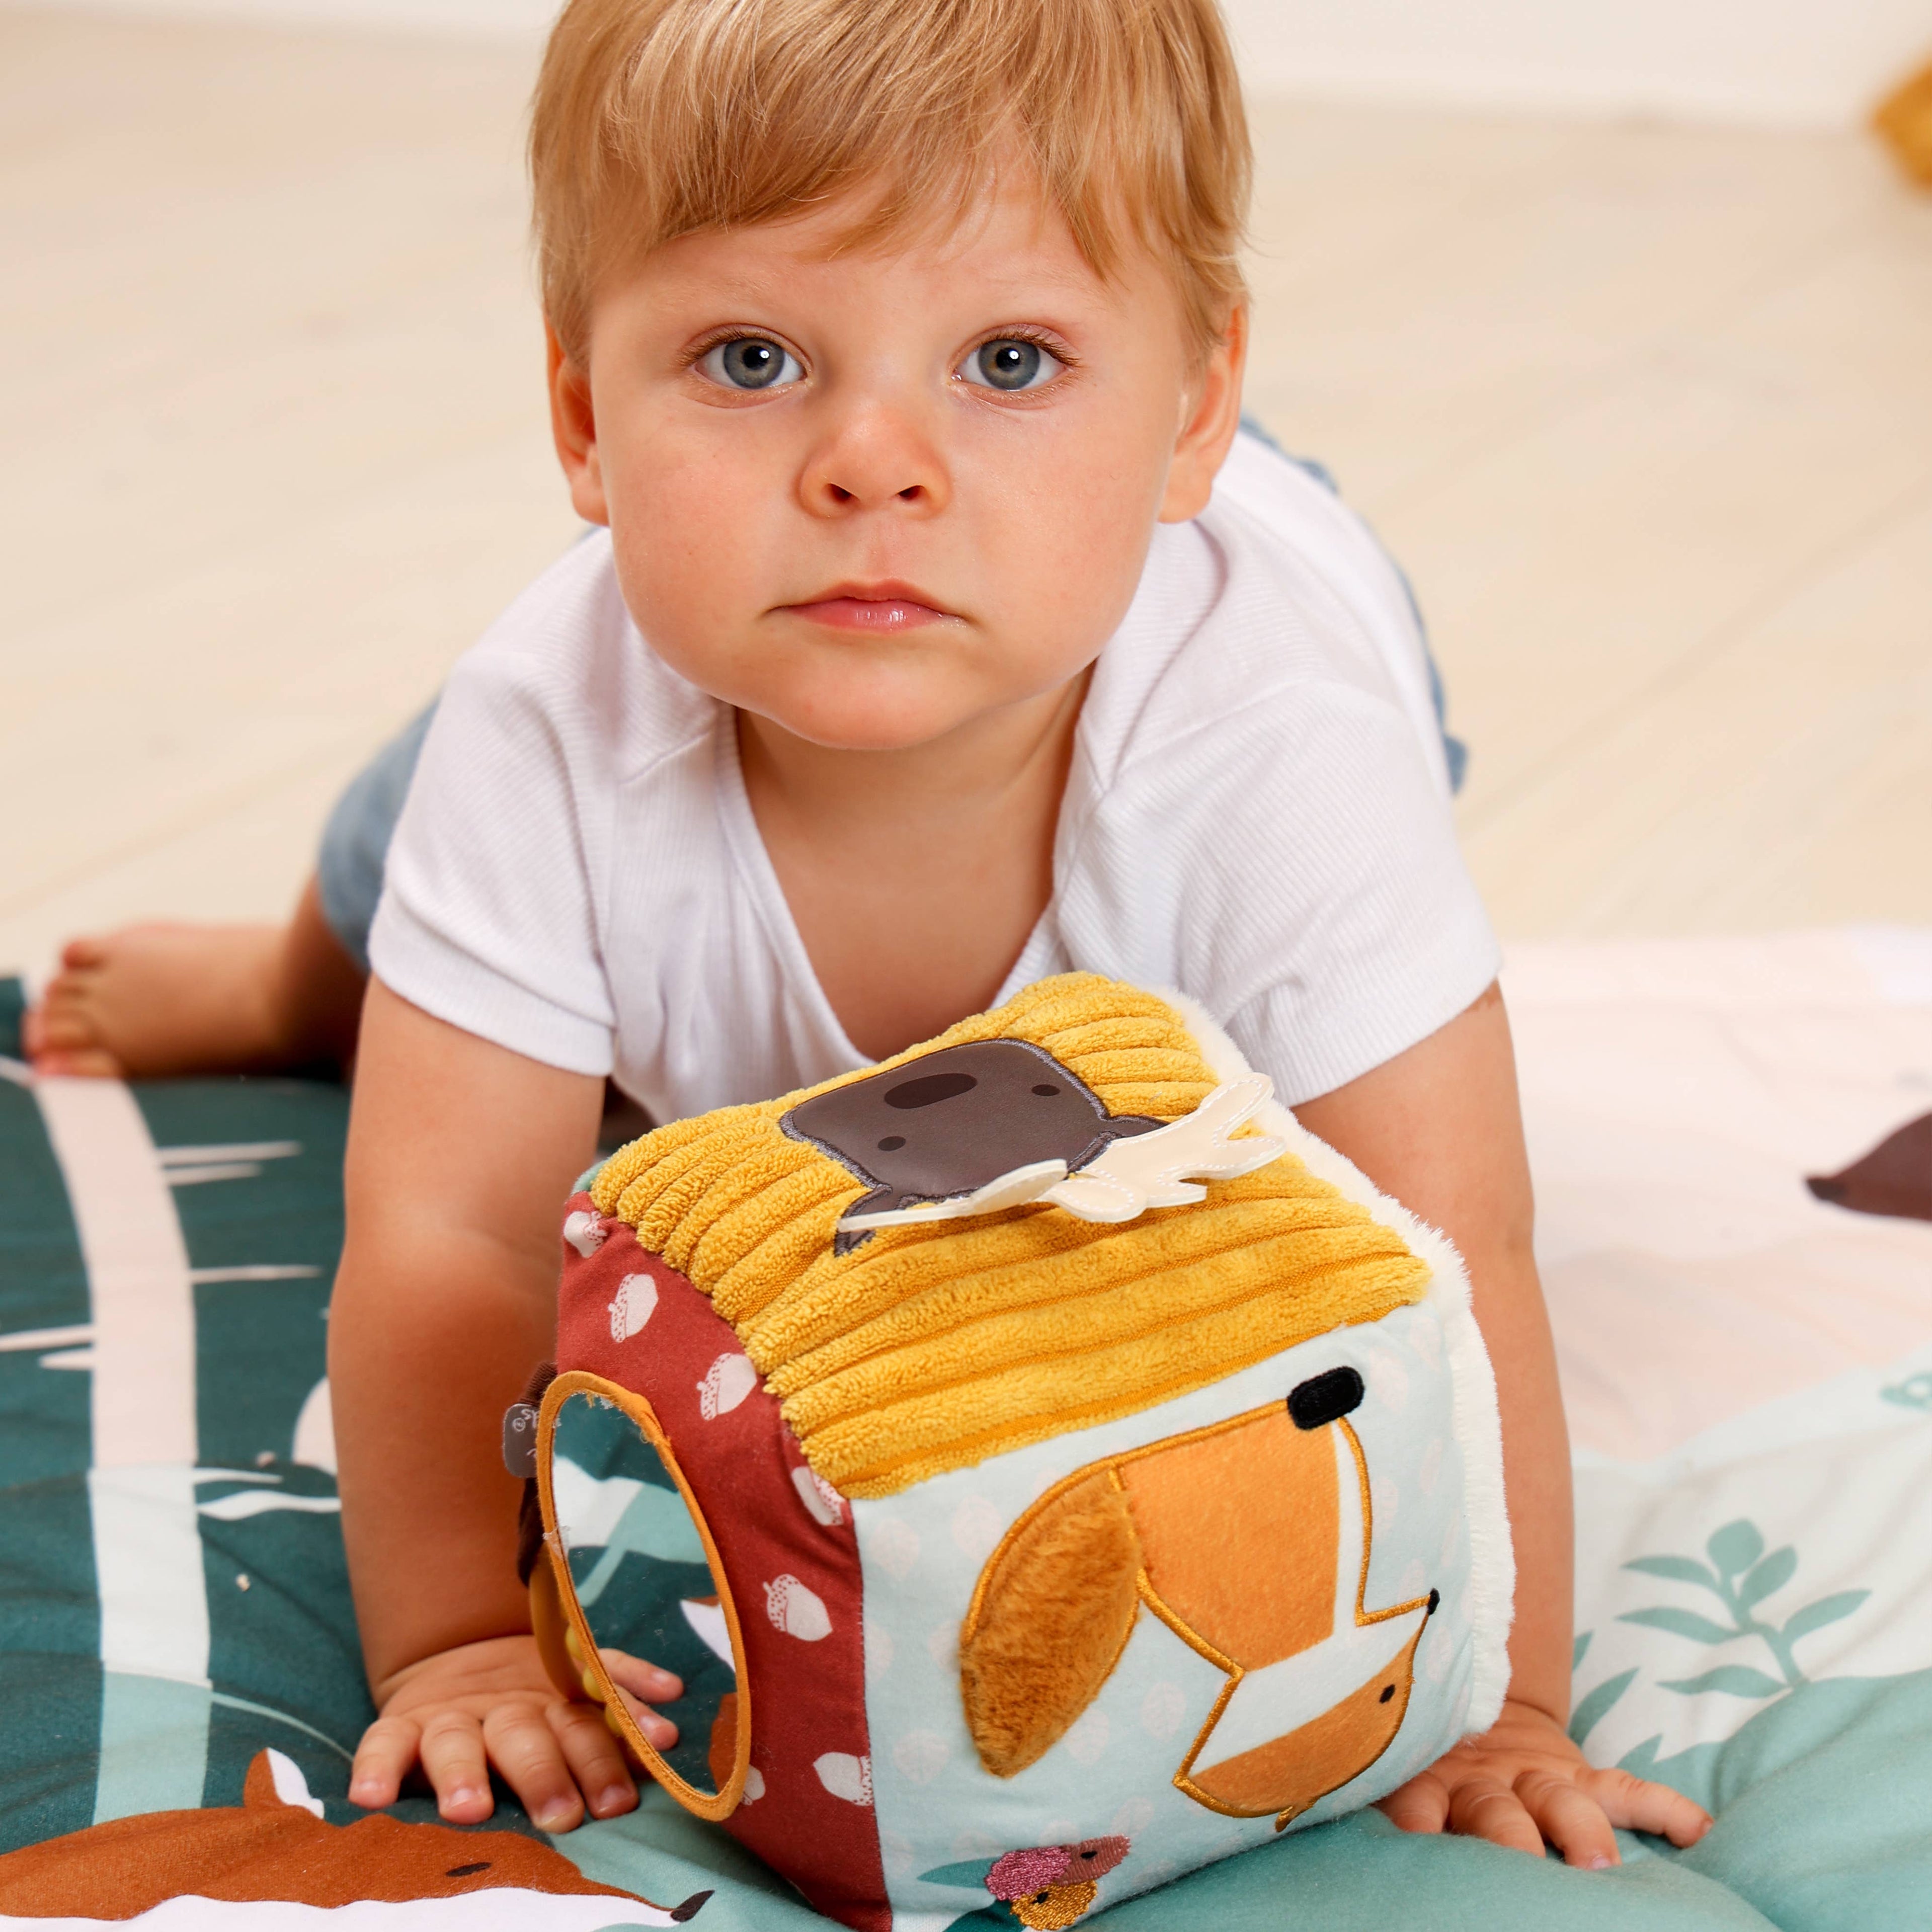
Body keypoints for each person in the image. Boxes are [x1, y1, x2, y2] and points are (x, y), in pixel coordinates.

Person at [30, 0, 1710, 1871]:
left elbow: (1454, 1240)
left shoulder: (1281, 756)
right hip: (690, 675)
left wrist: (1515, 1705)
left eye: (1006, 356)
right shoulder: (551, 721)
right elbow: (445, 1236)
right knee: (418, 818)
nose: (873, 462)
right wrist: (467, 1642)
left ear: (1196, 410)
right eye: (752, 358)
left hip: (1250, 618)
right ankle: (279, 972)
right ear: (586, 414)